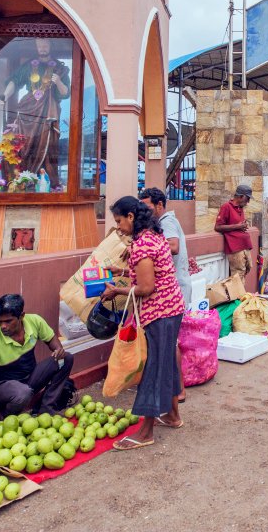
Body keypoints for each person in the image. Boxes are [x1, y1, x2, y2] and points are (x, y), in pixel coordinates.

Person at [101, 196, 185, 449]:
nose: (117, 227)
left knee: (153, 369)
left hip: (160, 313)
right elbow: (154, 271)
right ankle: (172, 416)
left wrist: (117, 291)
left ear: (130, 217)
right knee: (167, 361)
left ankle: (146, 432)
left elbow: (147, 287)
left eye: (118, 221)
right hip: (172, 308)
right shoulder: (153, 236)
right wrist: (124, 272)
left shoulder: (141, 245)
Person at [0, 293, 73, 416]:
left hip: (29, 379)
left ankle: (47, 410)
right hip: (2, 388)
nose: (3, 326)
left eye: (8, 321)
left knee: (66, 359)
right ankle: (7, 416)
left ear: (21, 316)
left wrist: (58, 349)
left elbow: (51, 339)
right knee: (22, 394)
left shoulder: (35, 321)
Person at [0, 38, 71, 190]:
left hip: (49, 111)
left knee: (49, 145)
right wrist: (5, 95)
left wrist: (57, 81)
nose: (42, 49)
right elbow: (14, 80)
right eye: (39, 46)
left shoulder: (59, 68)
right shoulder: (29, 65)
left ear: (51, 45)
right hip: (28, 111)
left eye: (45, 45)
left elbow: (65, 93)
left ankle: (48, 183)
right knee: (25, 146)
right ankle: (24, 182)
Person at [140, 186, 189, 404]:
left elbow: (174, 246)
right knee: (170, 344)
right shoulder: (163, 223)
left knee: (171, 344)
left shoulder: (167, 221)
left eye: (148, 207)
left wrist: (146, 248)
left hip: (173, 289)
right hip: (173, 288)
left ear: (160, 205)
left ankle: (178, 390)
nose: (146, 211)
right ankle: (173, 394)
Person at [214, 185, 254, 282]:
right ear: (241, 197)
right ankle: (238, 295)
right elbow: (218, 227)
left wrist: (242, 226)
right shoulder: (227, 207)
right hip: (234, 245)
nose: (248, 201)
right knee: (238, 274)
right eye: (247, 198)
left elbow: (238, 224)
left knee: (248, 268)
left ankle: (240, 294)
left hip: (244, 244)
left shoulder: (240, 208)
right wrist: (237, 226)